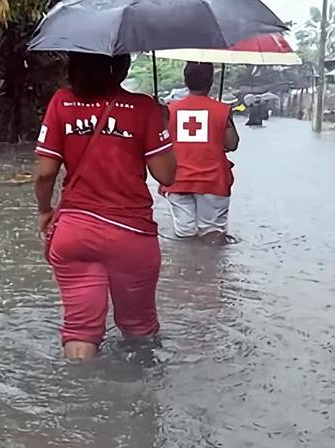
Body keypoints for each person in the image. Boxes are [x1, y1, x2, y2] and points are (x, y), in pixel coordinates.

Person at [34, 52, 177, 360]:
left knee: (80, 329)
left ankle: (81, 399)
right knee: (139, 329)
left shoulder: (61, 102)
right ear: (123, 65)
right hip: (131, 234)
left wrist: (45, 210)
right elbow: (166, 175)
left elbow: (45, 173)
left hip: (74, 232)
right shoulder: (144, 108)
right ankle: (140, 400)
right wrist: (161, 125)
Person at [161, 62, 240, 239]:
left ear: (185, 80)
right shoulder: (222, 110)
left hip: (178, 179)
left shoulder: (169, 109)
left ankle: (187, 265)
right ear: (211, 81)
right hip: (212, 180)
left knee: (184, 234)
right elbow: (232, 144)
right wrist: (228, 119)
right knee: (213, 235)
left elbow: (162, 143)